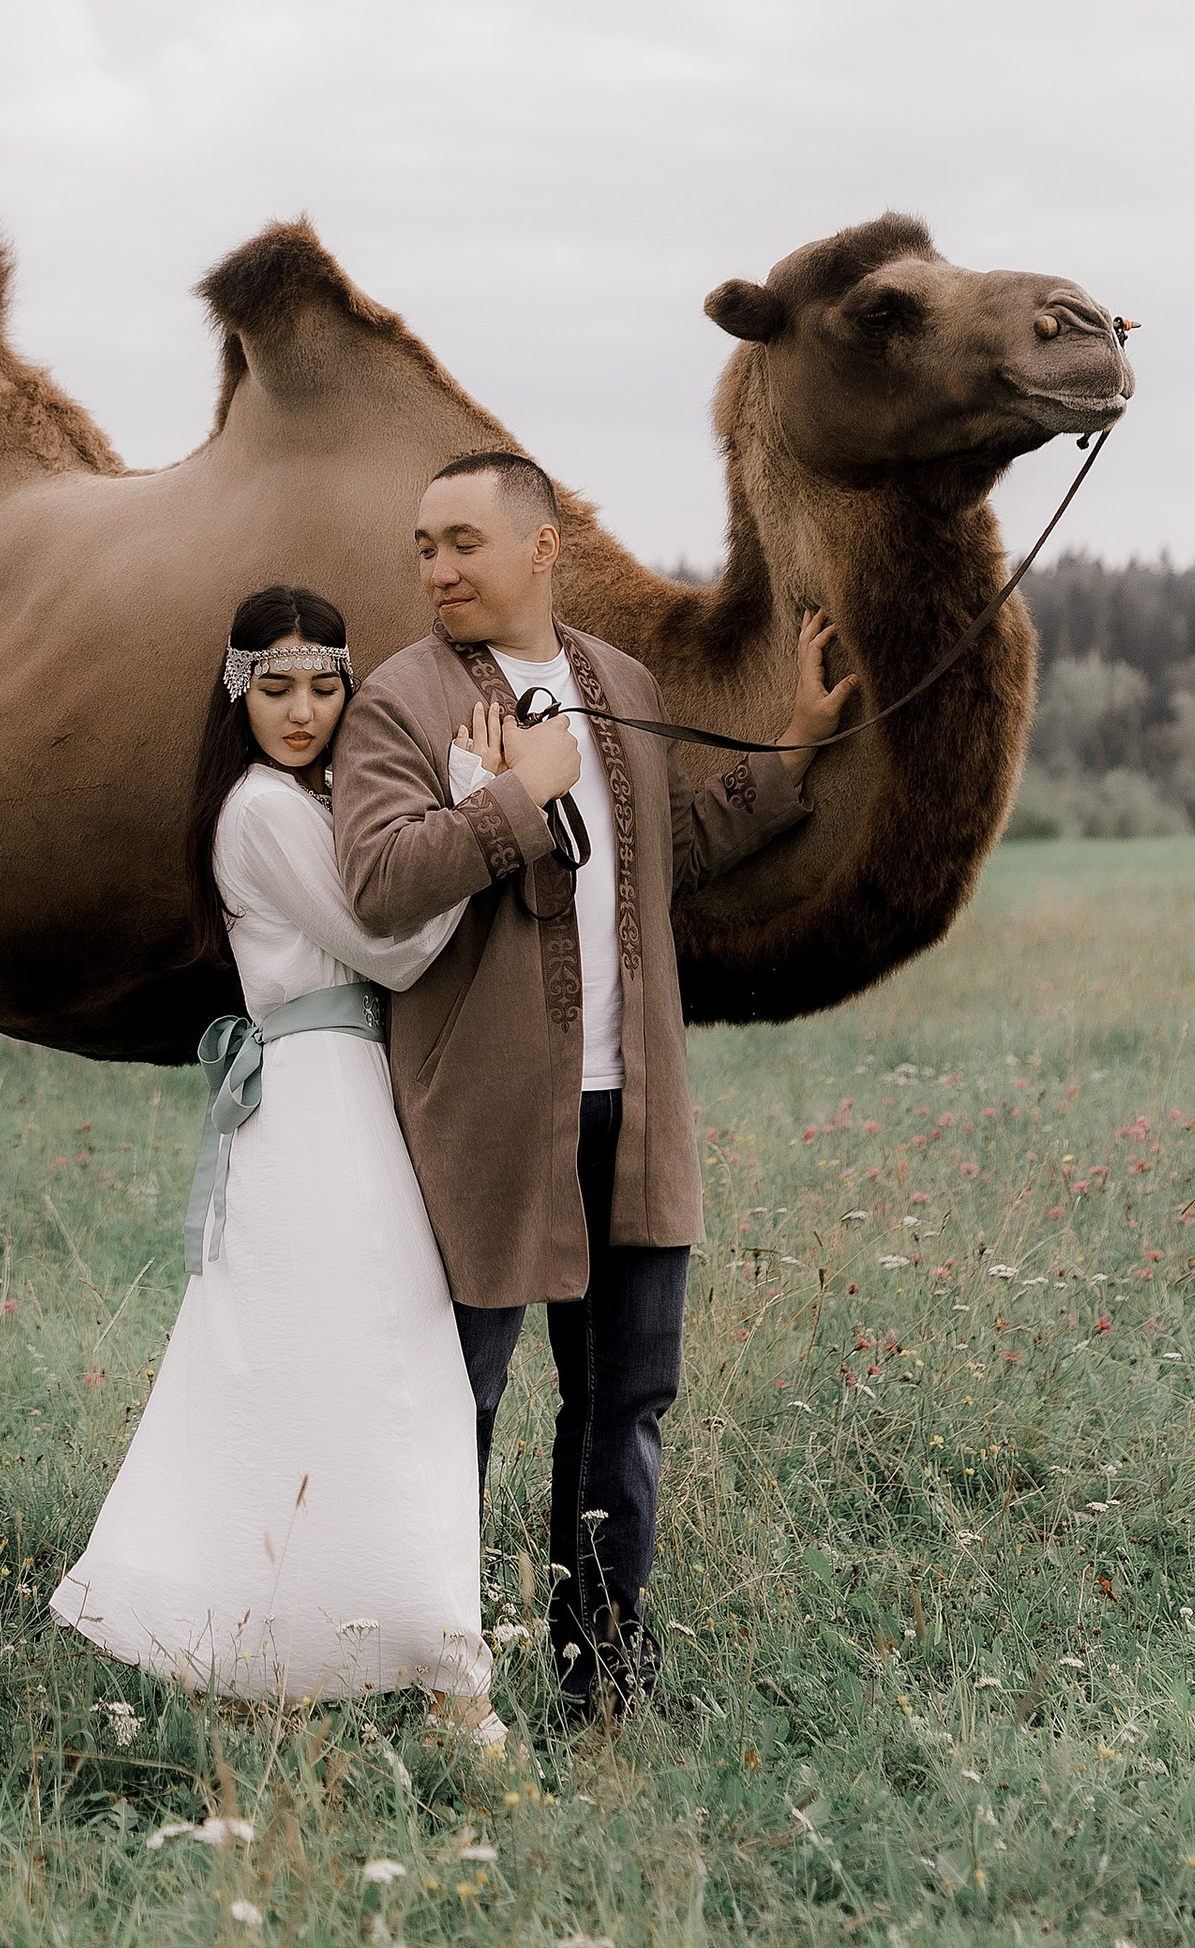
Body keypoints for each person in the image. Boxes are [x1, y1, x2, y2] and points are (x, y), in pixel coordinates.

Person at [333, 454, 855, 1720]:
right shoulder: (397, 704)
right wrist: (519, 796)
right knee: (461, 1403)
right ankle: (433, 1683)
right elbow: (379, 883)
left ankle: (602, 1681)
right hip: (486, 1120)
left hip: (635, 1104)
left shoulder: (618, 684)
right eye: (422, 547)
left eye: (461, 541)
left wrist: (791, 751)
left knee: (624, 1402)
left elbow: (661, 853)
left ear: (540, 547)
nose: (437, 570)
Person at [52, 584, 499, 1735]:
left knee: (359, 1369)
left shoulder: (314, 798)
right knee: (371, 1367)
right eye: (276, 688)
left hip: (342, 1103)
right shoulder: (261, 810)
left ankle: (335, 1645)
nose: (302, 710)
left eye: (322, 685)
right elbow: (389, 953)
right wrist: (486, 817)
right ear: (237, 695)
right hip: (316, 1110)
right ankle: (390, 1665)